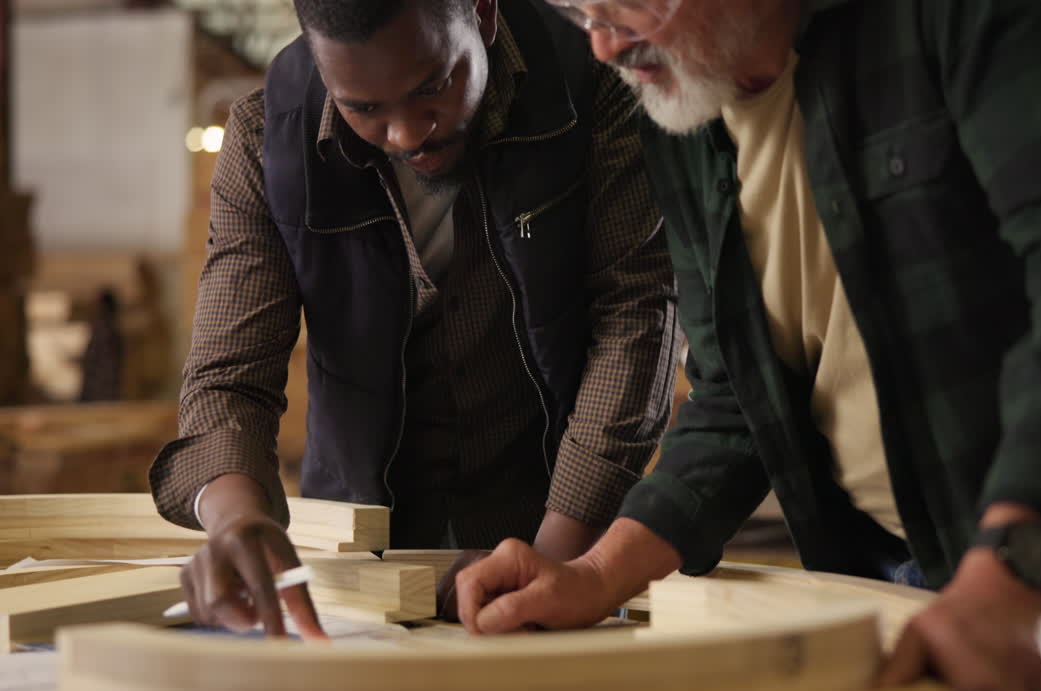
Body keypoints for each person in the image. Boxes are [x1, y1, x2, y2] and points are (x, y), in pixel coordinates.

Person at [455, 1, 1041, 691]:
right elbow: (733, 400)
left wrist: (1019, 572)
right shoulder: (681, 109)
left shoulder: (952, 17)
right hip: (878, 577)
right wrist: (596, 575)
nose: (604, 46)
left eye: (630, 5)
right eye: (581, 12)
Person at [149, 0, 677, 639]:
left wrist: (559, 565)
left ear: (481, 14)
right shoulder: (268, 139)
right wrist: (237, 521)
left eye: (433, 86)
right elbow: (228, 377)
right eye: (363, 108)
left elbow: (636, 318)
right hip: (354, 571)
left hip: (559, 526)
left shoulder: (591, 85)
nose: (406, 134)